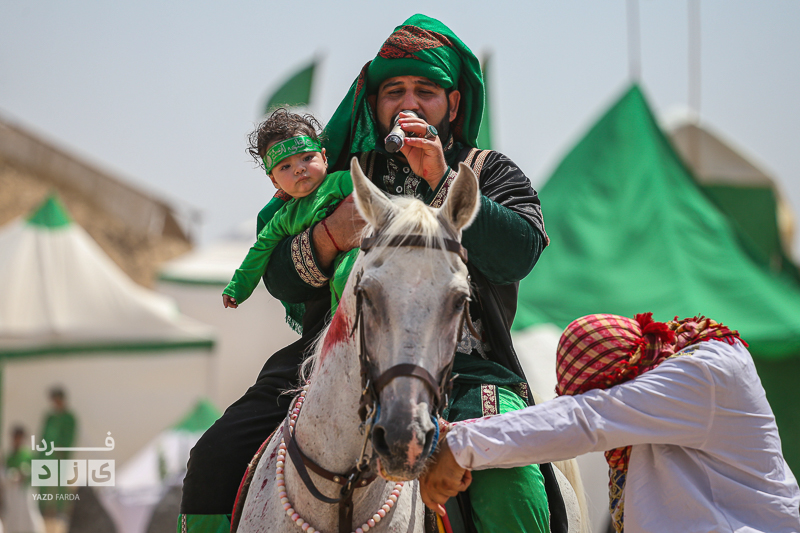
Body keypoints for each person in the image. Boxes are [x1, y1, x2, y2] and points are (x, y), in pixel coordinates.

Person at [180, 14, 558, 533]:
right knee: (214, 458)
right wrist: (329, 234)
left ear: (453, 103)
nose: (408, 103)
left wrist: (442, 177)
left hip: (464, 365)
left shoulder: (488, 171)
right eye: (394, 91)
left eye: (425, 91)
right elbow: (281, 279)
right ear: (375, 103)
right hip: (333, 355)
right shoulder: (338, 173)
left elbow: (520, 253)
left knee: (509, 486)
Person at [420, 313, 800, 532]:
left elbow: (588, 418)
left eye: (602, 394)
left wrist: (460, 445)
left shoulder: (708, 370)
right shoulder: (644, 424)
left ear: (625, 378)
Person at [222, 108, 359, 321]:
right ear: (274, 181)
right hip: (336, 278)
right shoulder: (282, 219)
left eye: (307, 158)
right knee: (341, 284)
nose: (299, 169)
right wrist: (237, 287)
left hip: (368, 252)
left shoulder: (343, 181)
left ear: (324, 158)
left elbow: (379, 201)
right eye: (285, 166)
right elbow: (260, 251)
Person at [38, 387, 77, 519]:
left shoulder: (69, 418)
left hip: (60, 456)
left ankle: (60, 510)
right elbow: (44, 435)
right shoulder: (50, 417)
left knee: (60, 483)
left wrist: (62, 449)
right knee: (44, 481)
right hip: (46, 456)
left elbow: (70, 437)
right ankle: (43, 509)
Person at [2, 426, 46, 533]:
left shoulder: (28, 455)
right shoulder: (9, 456)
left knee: (29, 513)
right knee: (13, 515)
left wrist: (25, 473)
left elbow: (36, 471)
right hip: (12, 491)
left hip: (26, 490)